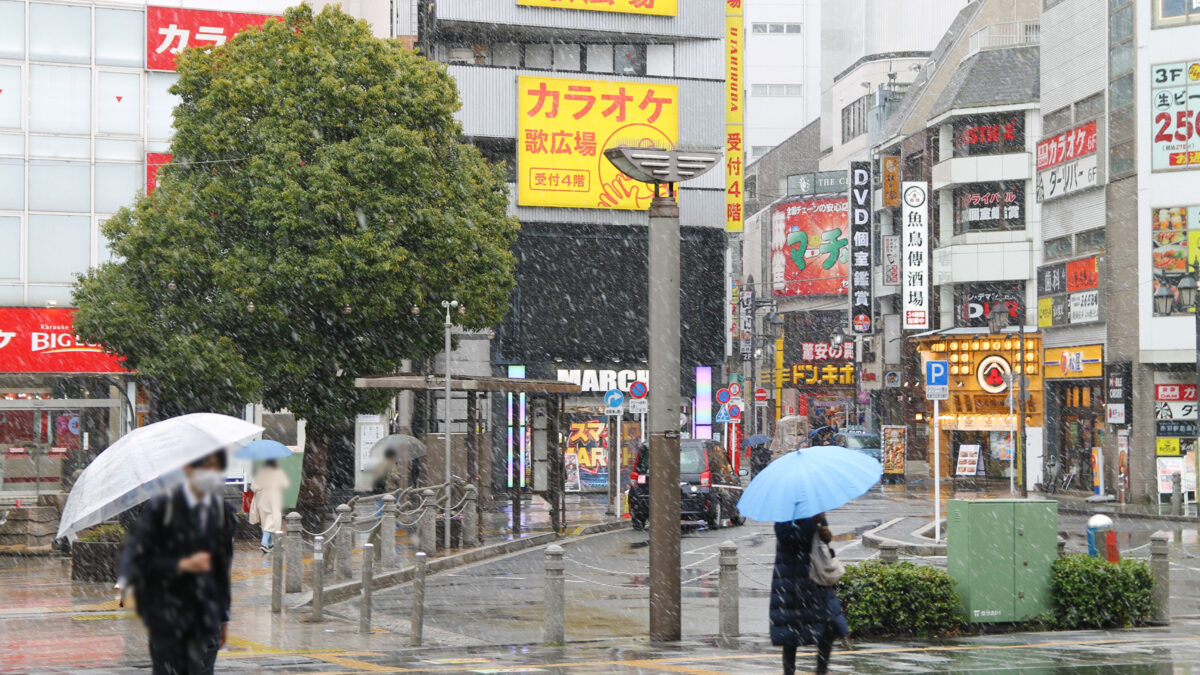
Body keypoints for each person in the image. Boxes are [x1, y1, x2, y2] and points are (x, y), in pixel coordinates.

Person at [121, 450, 235, 675]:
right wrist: (181, 565)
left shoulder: (223, 513)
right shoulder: (160, 510)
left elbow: (223, 571)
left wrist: (223, 618)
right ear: (188, 469)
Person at [770, 513, 848, 675]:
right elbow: (787, 539)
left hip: (816, 581)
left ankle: (821, 671)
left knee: (828, 628)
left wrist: (826, 535)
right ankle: (789, 672)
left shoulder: (815, 507)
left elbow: (822, 543)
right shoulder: (785, 512)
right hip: (792, 581)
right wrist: (812, 523)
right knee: (791, 634)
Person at [248, 459, 289, 553]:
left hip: (261, 500)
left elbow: (253, 487)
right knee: (273, 520)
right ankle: (263, 543)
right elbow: (284, 484)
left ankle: (271, 545)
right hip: (272, 499)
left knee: (266, 521)